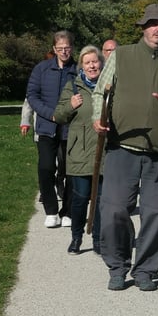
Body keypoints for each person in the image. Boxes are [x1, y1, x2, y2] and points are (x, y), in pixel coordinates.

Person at [91, 4, 158, 292]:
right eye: (154, 24)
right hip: (122, 147)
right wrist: (98, 117)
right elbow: (101, 92)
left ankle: (146, 269)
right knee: (114, 211)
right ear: (144, 27)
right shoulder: (121, 56)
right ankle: (118, 266)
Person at [54, 45, 104, 255]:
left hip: (105, 151)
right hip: (80, 151)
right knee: (81, 198)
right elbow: (59, 116)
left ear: (101, 63)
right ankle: (76, 237)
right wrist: (70, 106)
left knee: (102, 200)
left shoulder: (111, 86)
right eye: (87, 62)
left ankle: (99, 240)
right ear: (82, 65)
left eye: (95, 61)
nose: (92, 65)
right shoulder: (72, 87)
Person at [26, 31, 76, 228]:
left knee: (70, 171)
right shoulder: (42, 69)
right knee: (46, 168)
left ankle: (68, 211)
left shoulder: (77, 69)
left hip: (70, 129)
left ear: (72, 48)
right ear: (54, 49)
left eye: (67, 48)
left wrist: (68, 113)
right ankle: (51, 210)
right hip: (47, 127)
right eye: (60, 48)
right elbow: (32, 95)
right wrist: (51, 114)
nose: (64, 51)